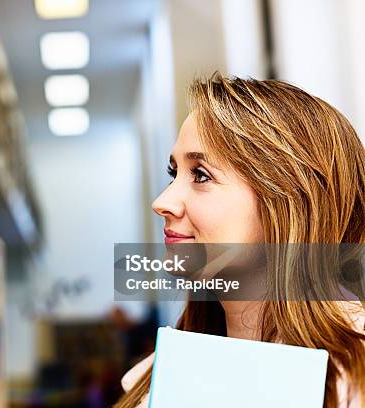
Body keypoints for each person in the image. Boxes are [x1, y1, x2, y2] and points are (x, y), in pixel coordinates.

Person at [114, 74, 365, 408]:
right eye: (174, 174)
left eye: (201, 175)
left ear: (287, 201)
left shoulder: (350, 374)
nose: (162, 202)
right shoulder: (164, 376)